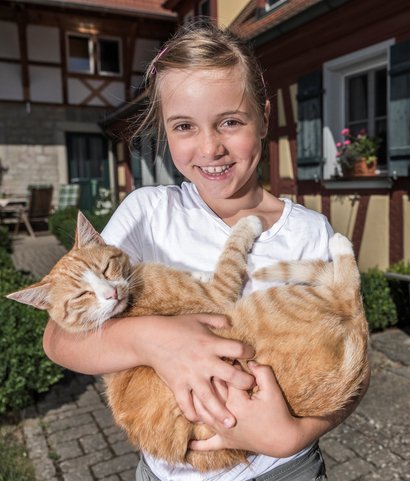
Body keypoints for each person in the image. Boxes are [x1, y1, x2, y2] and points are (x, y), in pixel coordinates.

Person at [42, 22, 369, 481]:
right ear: (165, 131)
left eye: (230, 122)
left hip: (285, 468)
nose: (210, 147)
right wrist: (152, 340)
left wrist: (294, 436)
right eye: (184, 126)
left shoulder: (310, 232)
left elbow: (354, 354)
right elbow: (57, 340)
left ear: (264, 116)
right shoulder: (149, 213)